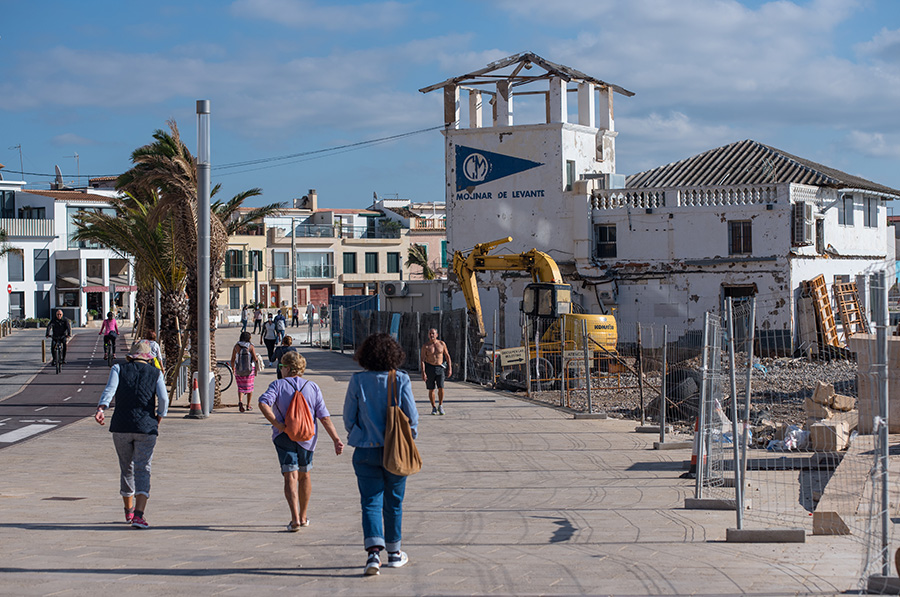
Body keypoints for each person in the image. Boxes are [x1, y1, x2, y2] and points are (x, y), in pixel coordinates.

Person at [343, 333, 418, 575]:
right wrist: (406, 438)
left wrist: (360, 433)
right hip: (394, 450)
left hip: (365, 450)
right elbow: (413, 419)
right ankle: (395, 553)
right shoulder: (401, 379)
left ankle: (373, 555)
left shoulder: (357, 381)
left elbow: (348, 418)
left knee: (370, 502)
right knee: (394, 503)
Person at [258, 352, 344, 531]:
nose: (280, 370)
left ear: (288, 368)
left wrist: (277, 424)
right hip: (307, 437)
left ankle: (295, 518)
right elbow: (324, 417)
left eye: (281, 366)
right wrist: (336, 439)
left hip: (284, 436)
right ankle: (304, 517)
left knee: (290, 475)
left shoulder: (277, 385)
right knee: (304, 475)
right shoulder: (313, 387)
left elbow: (263, 403)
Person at [94, 340, 169, 529]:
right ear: (148, 357)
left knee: (126, 467)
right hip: (146, 427)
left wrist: (102, 408)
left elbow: (110, 390)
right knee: (143, 468)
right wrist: (159, 416)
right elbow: (163, 399)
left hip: (121, 425)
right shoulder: (156, 373)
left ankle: (128, 510)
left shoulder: (118, 369)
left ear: (132, 356)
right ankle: (139, 515)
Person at [420, 328, 452, 415]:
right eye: (430, 334)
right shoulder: (426, 346)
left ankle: (440, 405)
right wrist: (423, 372)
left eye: (433, 334)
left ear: (436, 335)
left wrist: (450, 368)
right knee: (431, 389)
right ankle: (433, 407)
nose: (431, 335)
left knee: (441, 387)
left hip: (440, 367)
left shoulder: (441, 344)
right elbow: (422, 360)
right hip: (430, 367)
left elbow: (447, 355)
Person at [230, 331, 259, 412]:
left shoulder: (236, 346)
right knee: (249, 387)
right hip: (249, 370)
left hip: (239, 369)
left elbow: (232, 359)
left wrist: (233, 368)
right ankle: (248, 405)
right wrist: (256, 369)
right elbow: (255, 359)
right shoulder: (251, 346)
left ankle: (240, 401)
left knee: (240, 387)